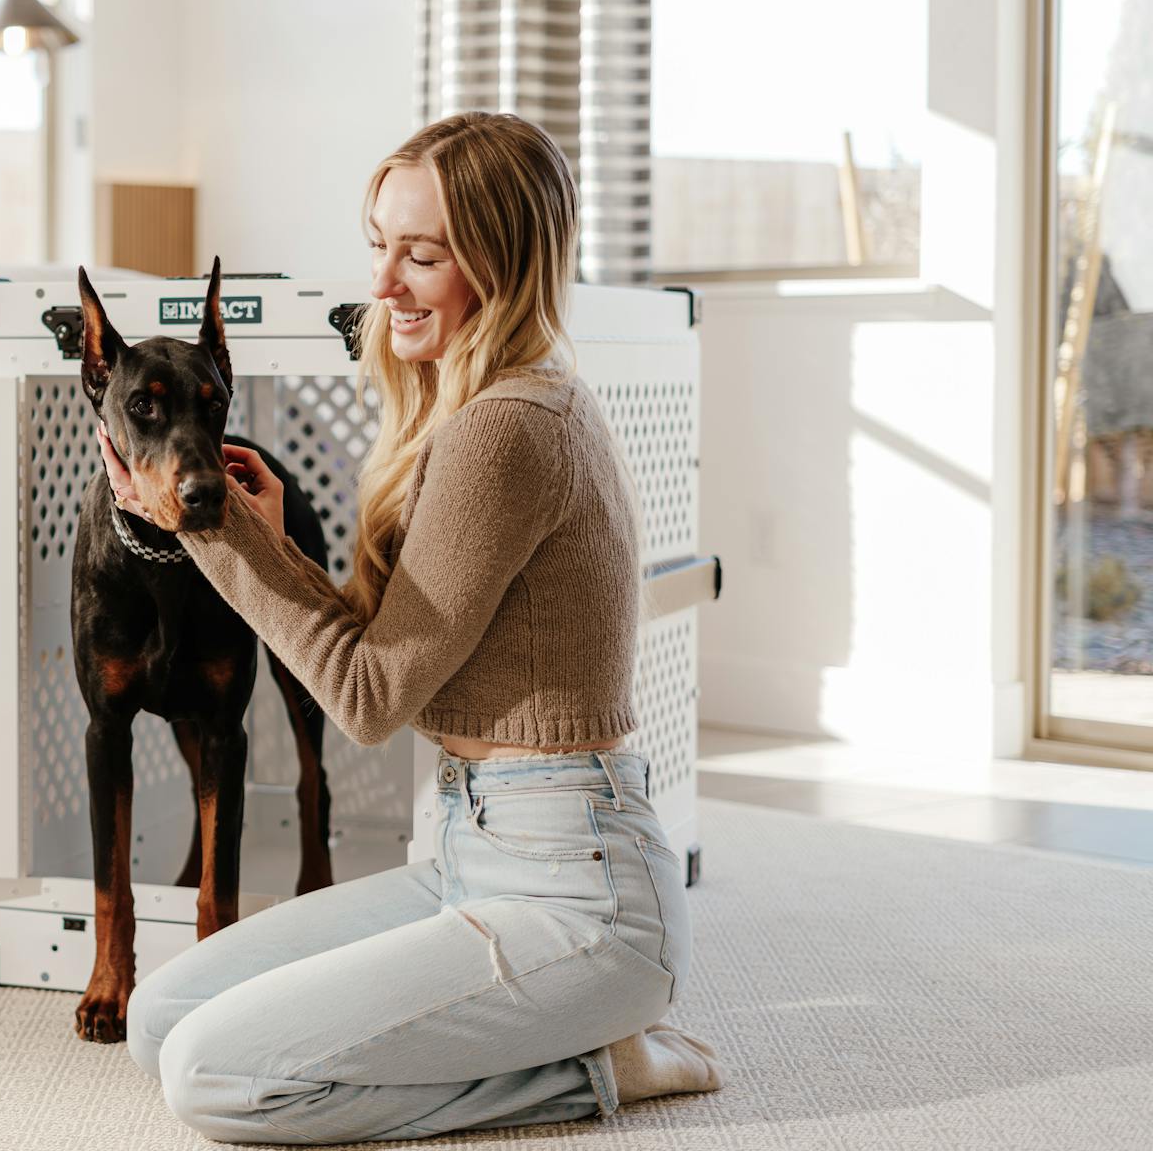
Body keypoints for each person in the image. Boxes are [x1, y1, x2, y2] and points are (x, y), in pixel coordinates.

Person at [94, 111, 726, 1143]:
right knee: (162, 1017)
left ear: (505, 265)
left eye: (421, 254)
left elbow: (370, 699)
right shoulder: (464, 409)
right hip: (471, 854)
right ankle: (548, 1032)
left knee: (214, 1078)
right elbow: (391, 653)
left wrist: (208, 530)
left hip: (580, 894)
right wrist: (268, 539)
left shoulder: (509, 427)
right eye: (378, 244)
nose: (383, 283)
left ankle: (598, 1062)